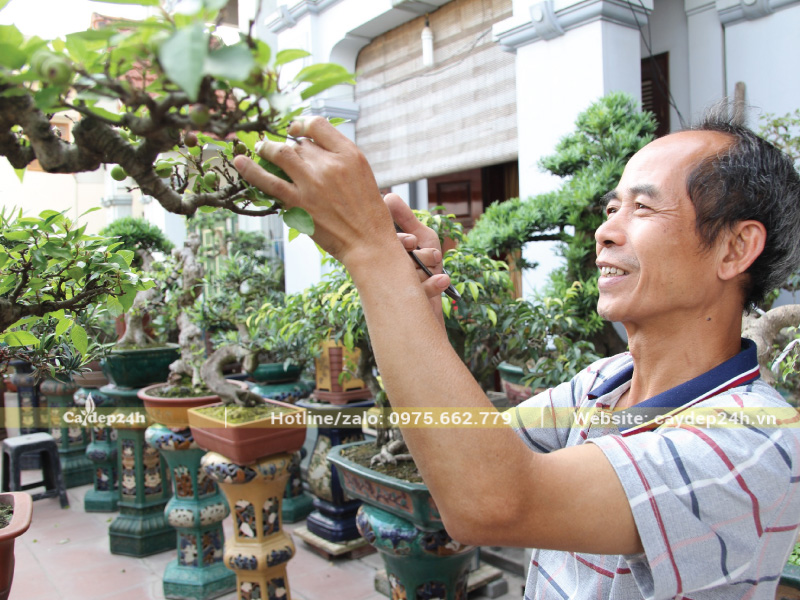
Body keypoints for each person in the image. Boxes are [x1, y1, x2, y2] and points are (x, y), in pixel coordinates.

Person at [233, 107, 800, 599]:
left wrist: (371, 251)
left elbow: (490, 500)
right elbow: (461, 454)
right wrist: (410, 302)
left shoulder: (755, 441)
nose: (605, 232)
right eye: (610, 208)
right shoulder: (604, 380)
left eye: (643, 209)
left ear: (734, 248)